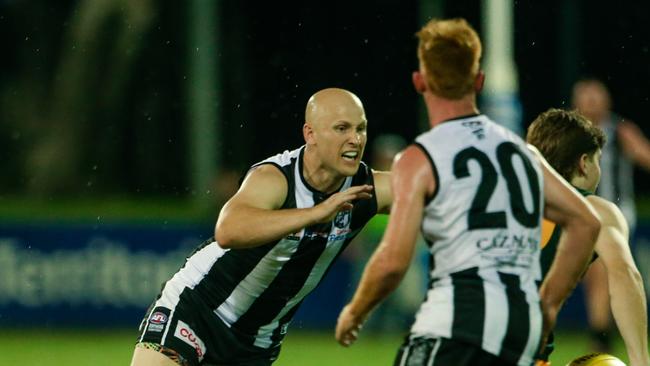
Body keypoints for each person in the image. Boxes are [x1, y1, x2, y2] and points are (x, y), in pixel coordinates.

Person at [335, 18, 601, 366]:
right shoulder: (524, 154)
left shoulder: (419, 159)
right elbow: (586, 223)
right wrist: (547, 304)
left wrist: (355, 312)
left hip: (456, 326)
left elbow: (393, 262)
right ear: (478, 80)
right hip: (519, 333)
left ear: (420, 81)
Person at [130, 87, 392, 366]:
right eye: (342, 128)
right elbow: (228, 231)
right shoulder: (275, 177)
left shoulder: (366, 189)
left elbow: (430, 191)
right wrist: (314, 214)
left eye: (360, 128)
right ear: (310, 134)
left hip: (257, 342)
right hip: (198, 309)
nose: (355, 139)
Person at [527, 108, 649, 366]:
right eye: (598, 161)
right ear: (584, 163)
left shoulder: (496, 200)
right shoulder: (595, 210)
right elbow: (626, 275)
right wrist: (641, 361)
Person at [572, 78, 650, 353]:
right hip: (579, 213)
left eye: (596, 97)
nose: (592, 104)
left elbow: (645, 156)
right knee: (599, 277)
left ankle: (601, 336)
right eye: (587, 98)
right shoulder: (569, 135)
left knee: (602, 271)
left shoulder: (620, 131)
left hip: (617, 213)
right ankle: (604, 334)